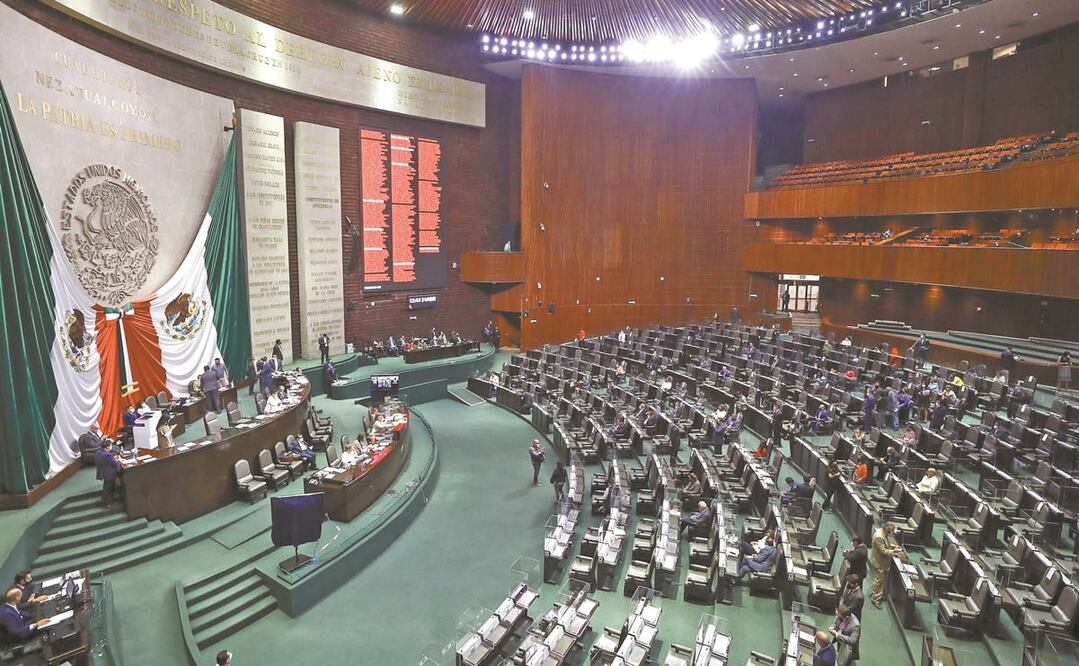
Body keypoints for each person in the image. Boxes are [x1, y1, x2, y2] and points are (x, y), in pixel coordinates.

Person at [870, 522, 901, 608]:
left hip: (881, 562)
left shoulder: (882, 533)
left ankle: (877, 595)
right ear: (887, 529)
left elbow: (885, 544)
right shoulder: (879, 537)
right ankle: (875, 599)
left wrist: (893, 546)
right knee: (879, 582)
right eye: (891, 530)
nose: (892, 532)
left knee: (880, 581)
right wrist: (894, 551)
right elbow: (883, 551)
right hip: (879, 563)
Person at [94, 439, 122, 507]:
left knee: (106, 487)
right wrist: (119, 460)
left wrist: (113, 458)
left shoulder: (98, 452)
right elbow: (115, 464)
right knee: (108, 489)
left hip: (103, 472)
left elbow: (106, 460)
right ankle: (106, 502)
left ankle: (108, 501)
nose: (111, 447)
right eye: (111, 445)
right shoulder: (107, 455)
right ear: (108, 447)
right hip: (110, 474)